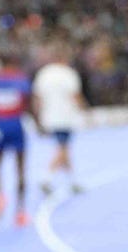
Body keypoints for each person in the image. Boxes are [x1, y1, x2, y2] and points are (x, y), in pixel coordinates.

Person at [0, 52, 37, 226]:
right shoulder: (21, 79)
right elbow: (29, 104)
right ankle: (20, 212)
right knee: (20, 170)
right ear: (14, 62)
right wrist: (38, 123)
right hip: (16, 127)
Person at [32, 40, 88, 196]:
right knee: (62, 149)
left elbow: (37, 98)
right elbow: (76, 96)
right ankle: (46, 179)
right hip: (65, 117)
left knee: (64, 148)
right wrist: (85, 110)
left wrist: (37, 117)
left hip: (49, 117)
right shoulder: (68, 74)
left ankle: (73, 181)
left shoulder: (44, 73)